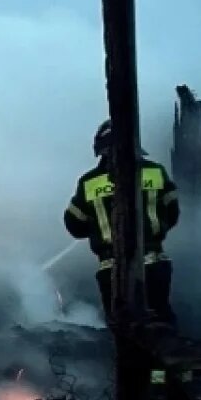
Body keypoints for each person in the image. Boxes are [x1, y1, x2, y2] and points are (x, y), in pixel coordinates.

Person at [63, 119, 180, 325]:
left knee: (122, 326)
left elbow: (74, 225)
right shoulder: (156, 172)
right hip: (154, 263)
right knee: (159, 319)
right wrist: (152, 234)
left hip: (111, 269)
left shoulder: (89, 183)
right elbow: (172, 213)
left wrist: (98, 229)